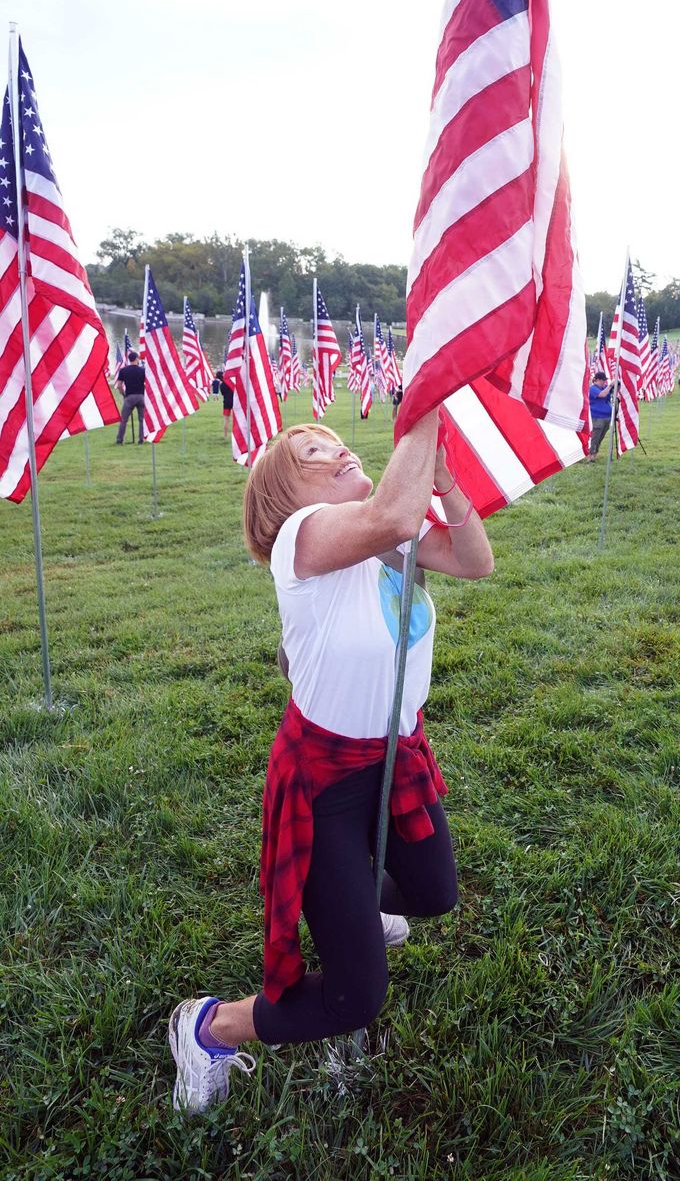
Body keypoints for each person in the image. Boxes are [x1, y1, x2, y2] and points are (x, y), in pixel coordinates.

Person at [168, 412, 494, 1113]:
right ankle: (209, 1026)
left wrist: (446, 478)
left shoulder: (384, 542)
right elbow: (393, 512)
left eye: (336, 441)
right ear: (286, 496)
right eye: (315, 453)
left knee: (434, 893)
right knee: (356, 997)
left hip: (396, 759)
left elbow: (475, 560)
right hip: (323, 786)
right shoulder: (300, 540)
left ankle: (350, 903)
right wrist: (428, 406)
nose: (340, 448)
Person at [115, 350, 146, 445]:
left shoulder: (123, 370)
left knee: (124, 420)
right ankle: (141, 439)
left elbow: (119, 385)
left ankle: (119, 440)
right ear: (136, 359)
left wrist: (124, 394)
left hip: (129, 397)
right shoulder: (143, 370)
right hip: (141, 396)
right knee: (142, 420)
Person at [587, 370, 613, 461]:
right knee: (595, 437)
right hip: (597, 417)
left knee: (601, 437)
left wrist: (614, 385)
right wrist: (610, 386)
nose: (604, 382)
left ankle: (595, 453)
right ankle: (590, 455)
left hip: (607, 417)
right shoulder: (593, 389)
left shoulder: (605, 387)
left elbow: (611, 392)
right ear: (597, 380)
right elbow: (602, 395)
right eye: (603, 380)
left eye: (605, 380)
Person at [215, 370, 234, 438]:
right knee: (234, 420)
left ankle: (225, 436)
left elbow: (223, 394)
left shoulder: (221, 385)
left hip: (226, 403)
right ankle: (235, 435)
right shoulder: (231, 382)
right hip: (234, 402)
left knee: (226, 420)